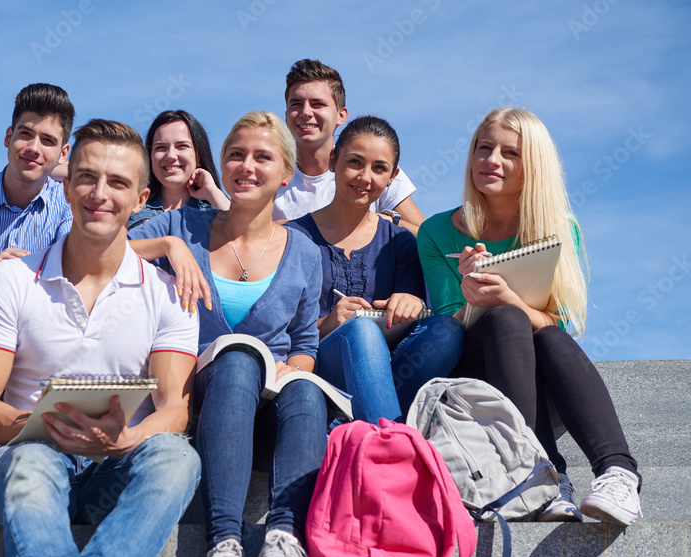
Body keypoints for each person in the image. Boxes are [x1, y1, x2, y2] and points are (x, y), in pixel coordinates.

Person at [0, 119, 200, 557]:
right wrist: (38, 427)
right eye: (86, 178)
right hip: (26, 465)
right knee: (32, 458)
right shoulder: (11, 280)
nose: (99, 194)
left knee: (176, 457)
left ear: (141, 197)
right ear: (66, 188)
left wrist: (127, 439)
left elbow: (175, 408)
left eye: (117, 183)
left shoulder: (167, 295)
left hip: (110, 468)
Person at [129, 111, 327, 557]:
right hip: (200, 395)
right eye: (236, 155)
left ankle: (283, 534)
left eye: (263, 157)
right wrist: (169, 243)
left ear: (285, 174)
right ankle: (225, 542)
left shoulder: (304, 252)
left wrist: (291, 369)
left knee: (306, 387)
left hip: (268, 410)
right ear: (221, 163)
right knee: (237, 359)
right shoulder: (182, 223)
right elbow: (98, 251)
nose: (246, 166)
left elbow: (305, 343)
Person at [418, 107, 641, 525]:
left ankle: (618, 471)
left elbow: (561, 322)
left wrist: (510, 300)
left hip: (538, 368)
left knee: (540, 332)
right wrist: (479, 296)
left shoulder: (559, 227)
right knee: (504, 320)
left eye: (510, 153)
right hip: (474, 375)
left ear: (532, 165)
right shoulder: (435, 231)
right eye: (484, 149)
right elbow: (448, 328)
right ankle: (543, 473)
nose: (491, 160)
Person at [287, 116, 463, 422]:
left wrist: (412, 302)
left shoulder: (401, 240)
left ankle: (360, 421)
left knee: (447, 330)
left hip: (392, 365)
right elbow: (277, 330)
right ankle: (392, 441)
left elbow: (416, 313)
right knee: (362, 330)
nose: (364, 177)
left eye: (379, 168)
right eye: (355, 162)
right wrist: (326, 324)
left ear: (392, 177)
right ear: (333, 162)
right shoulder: (294, 238)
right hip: (324, 365)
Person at [273, 58, 425, 235]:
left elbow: (430, 240)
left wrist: (388, 222)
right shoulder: (268, 173)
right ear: (286, 115)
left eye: (317, 104)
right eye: (296, 104)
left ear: (341, 115)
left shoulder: (377, 169)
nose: (306, 112)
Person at [0, 82, 75, 260]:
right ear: (8, 137)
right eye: (26, 134)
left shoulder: (69, 207)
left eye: (47, 140)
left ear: (63, 154)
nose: (34, 148)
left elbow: (75, 276)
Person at [128, 109, 230, 229]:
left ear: (199, 157)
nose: (171, 155)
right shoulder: (132, 210)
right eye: (161, 147)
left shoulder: (215, 210)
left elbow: (246, 232)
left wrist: (212, 193)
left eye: (182, 146)